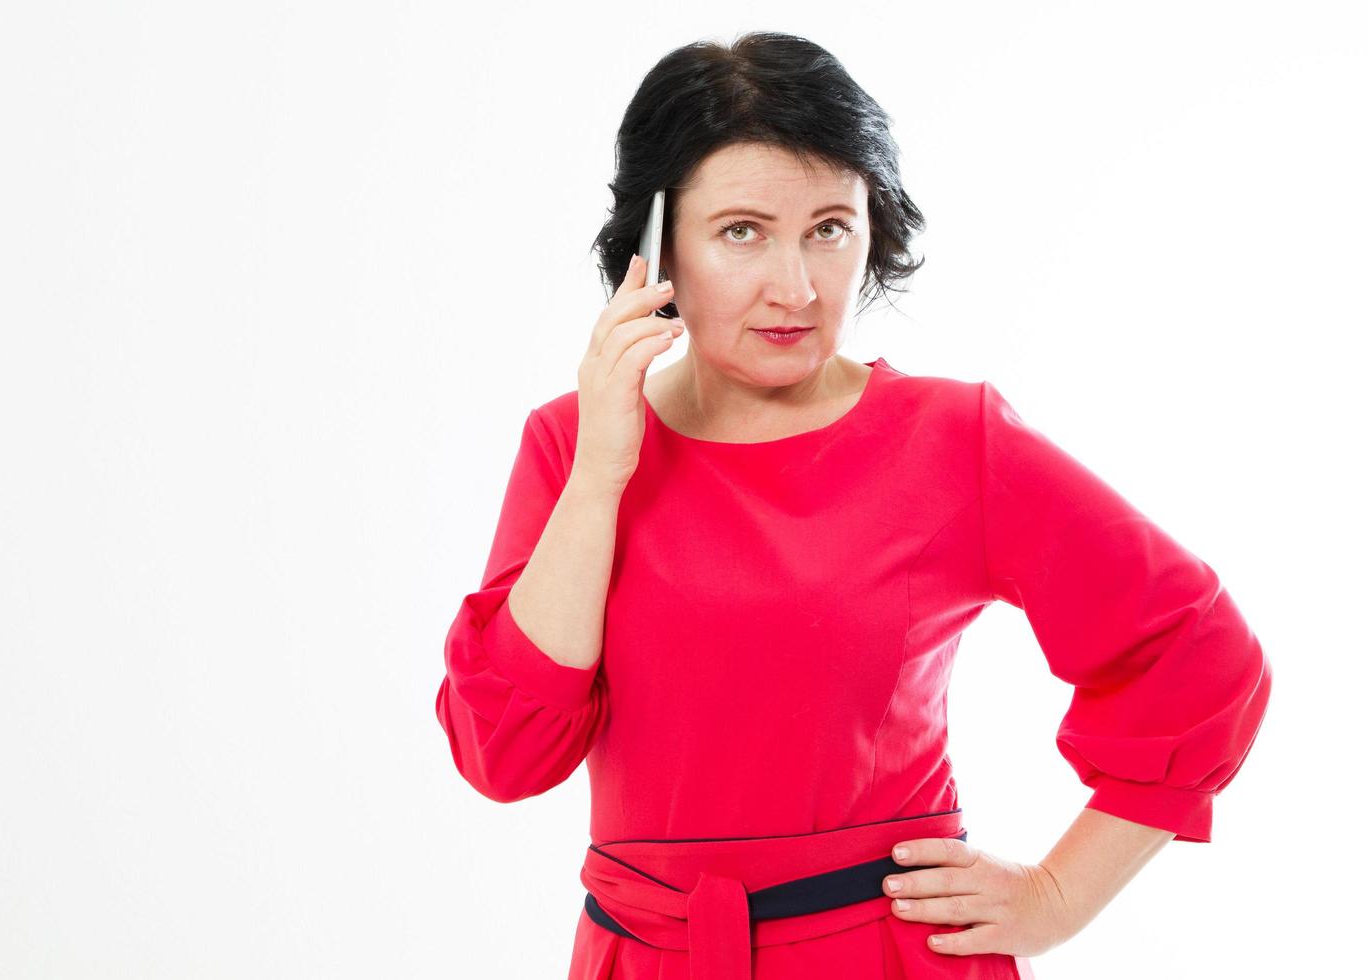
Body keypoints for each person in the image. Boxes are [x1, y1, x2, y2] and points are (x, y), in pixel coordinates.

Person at [433, 31, 1271, 980]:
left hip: (886, 955)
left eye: (830, 228)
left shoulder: (952, 440)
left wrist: (1056, 898)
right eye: (742, 231)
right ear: (657, 242)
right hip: (643, 958)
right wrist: (599, 479)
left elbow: (1199, 654)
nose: (796, 288)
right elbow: (504, 755)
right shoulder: (572, 444)